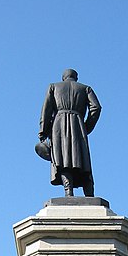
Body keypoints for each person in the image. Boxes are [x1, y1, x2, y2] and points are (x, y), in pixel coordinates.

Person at [39, 68, 101, 197]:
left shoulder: (53, 87)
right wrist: (86, 126)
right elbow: (96, 107)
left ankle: (69, 192)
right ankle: (89, 193)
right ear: (76, 78)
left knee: (62, 158)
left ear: (63, 78)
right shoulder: (85, 88)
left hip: (58, 126)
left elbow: (46, 110)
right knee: (82, 158)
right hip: (78, 125)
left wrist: (43, 130)